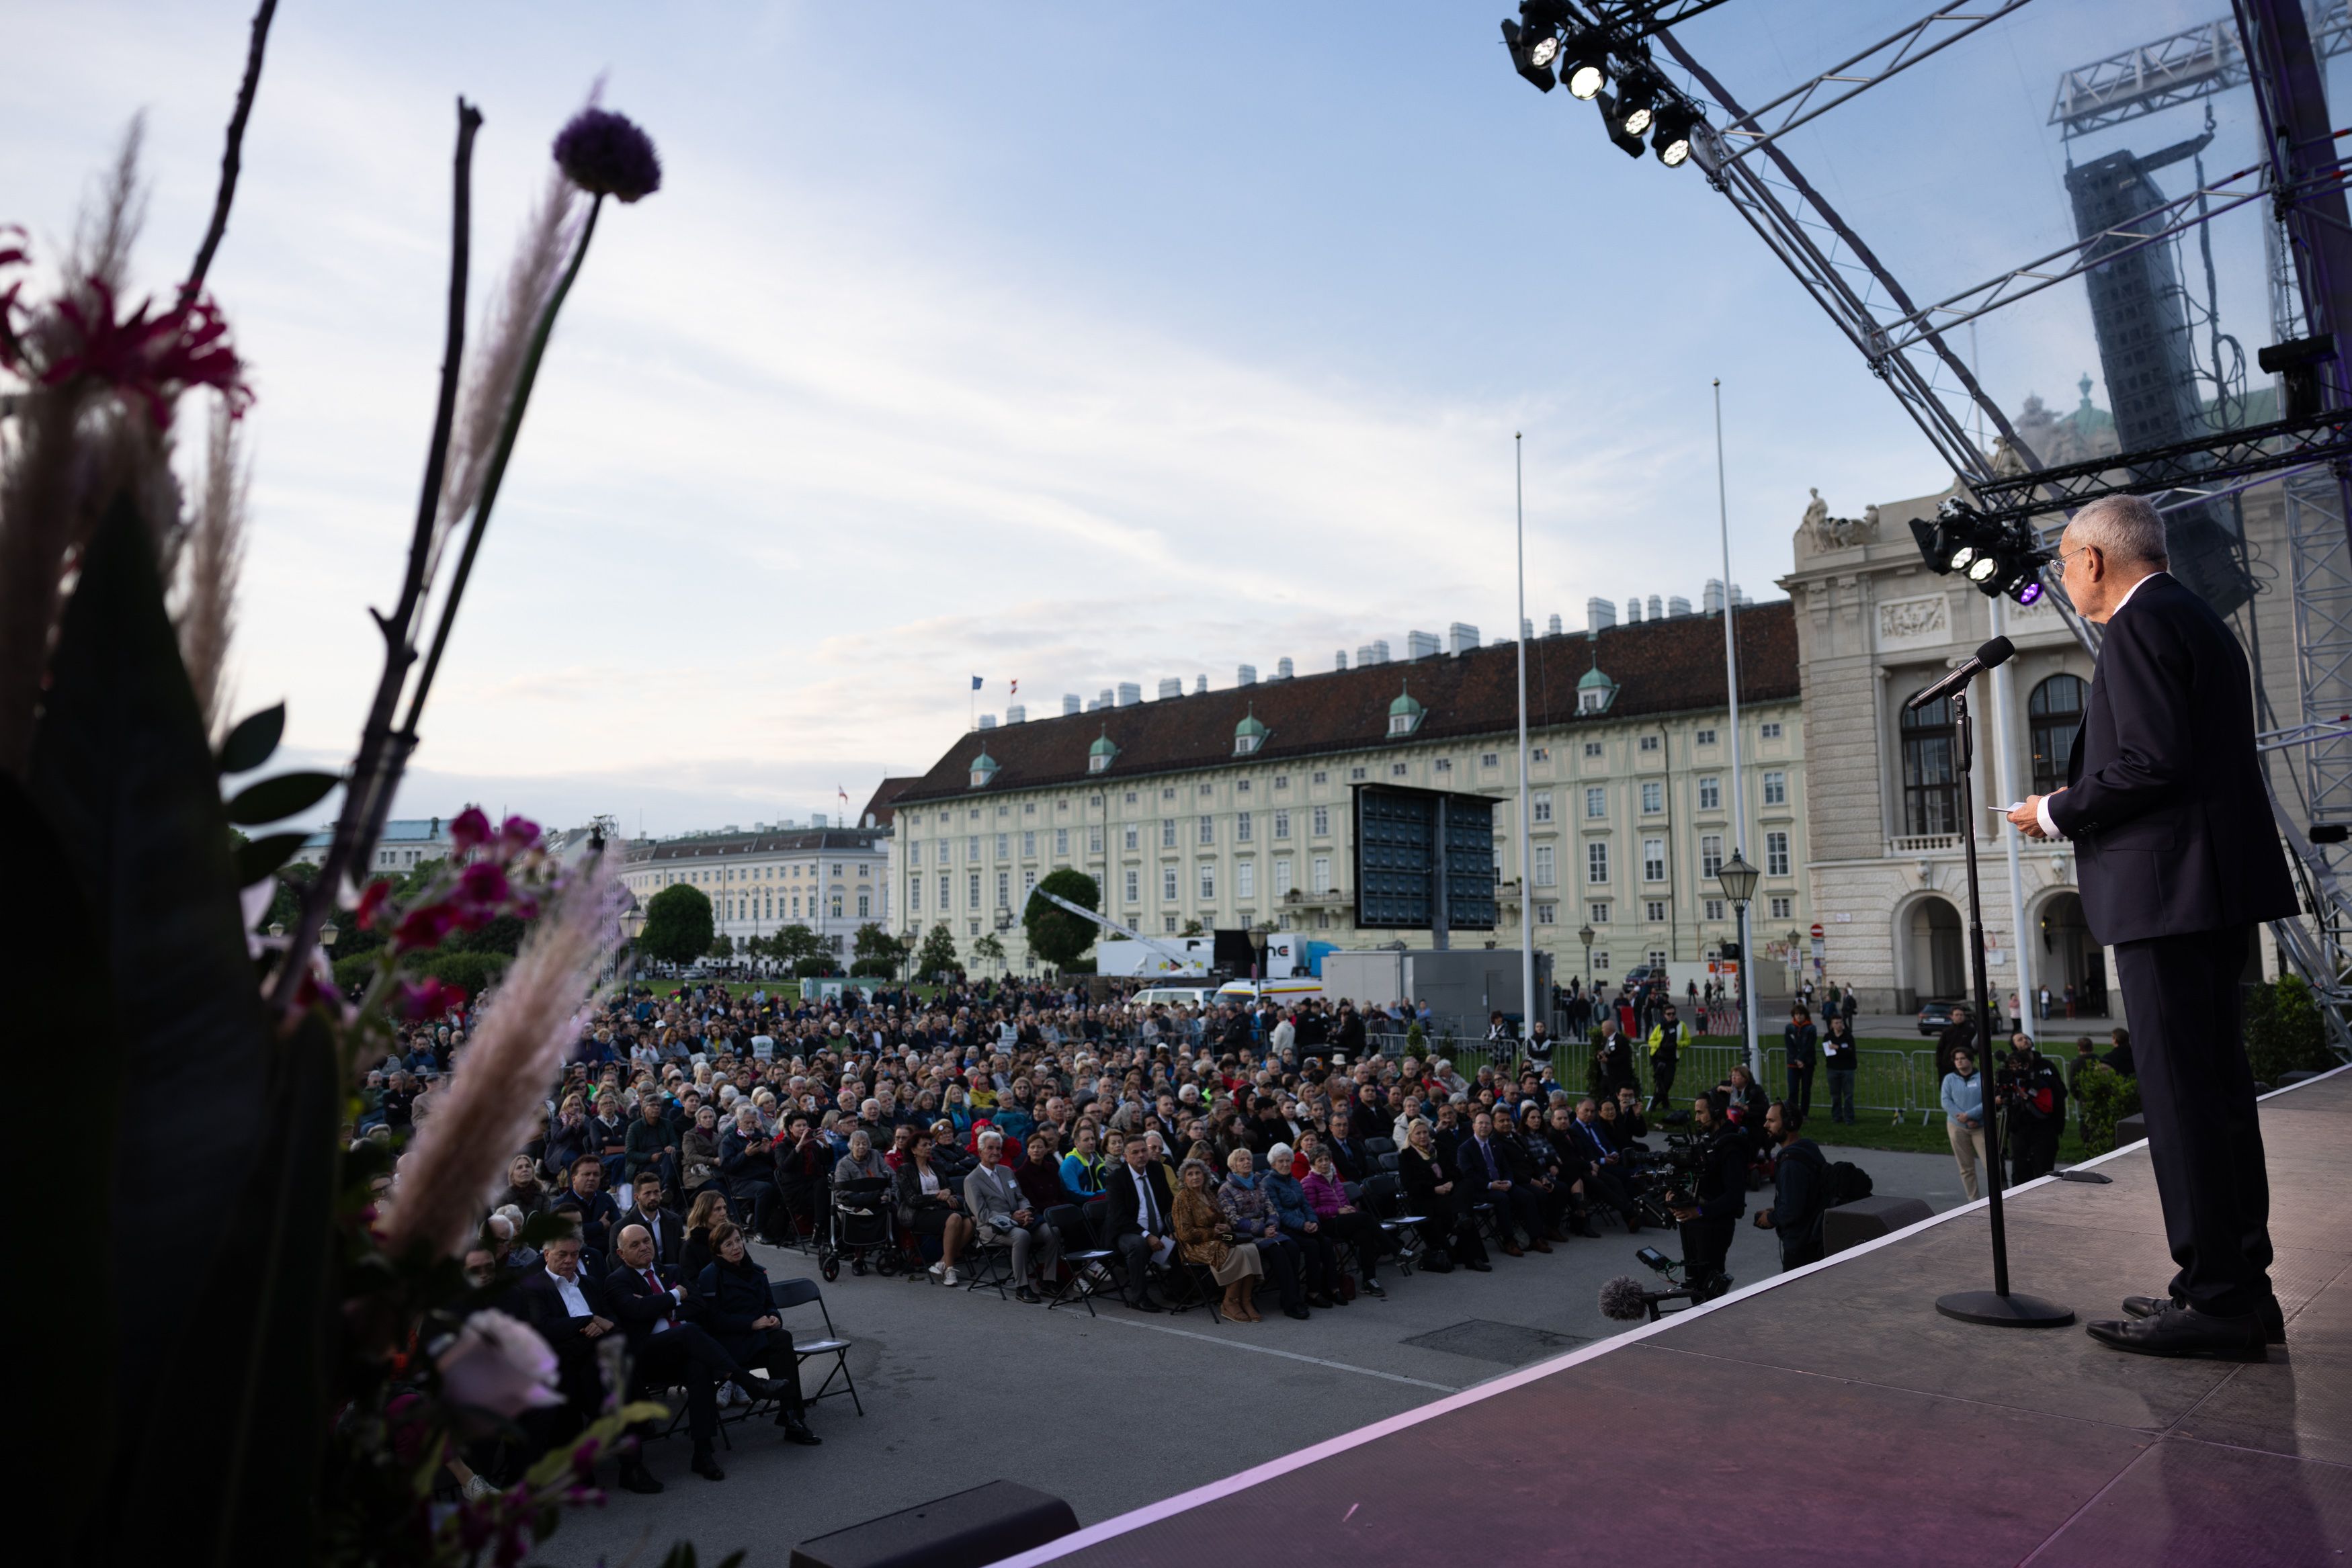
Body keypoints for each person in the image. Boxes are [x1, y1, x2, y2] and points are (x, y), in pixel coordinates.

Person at [2009, 494, 2295, 1358]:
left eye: (2063, 562)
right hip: (2206, 890)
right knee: (2216, 1097)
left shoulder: (2135, 628)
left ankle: (2212, 1298)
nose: (2061, 578)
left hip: (2164, 894)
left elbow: (2149, 763)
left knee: (2181, 1104)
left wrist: (2051, 810)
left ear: (2093, 560)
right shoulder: (2196, 618)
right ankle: (2237, 1288)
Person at [605, 1222, 785, 1481]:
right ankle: (749, 1381)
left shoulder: (671, 1270)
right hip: (648, 1357)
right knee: (689, 1333)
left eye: (646, 1241)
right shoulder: (617, 1281)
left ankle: (703, 1453)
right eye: (635, 1245)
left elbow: (699, 1304)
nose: (644, 1247)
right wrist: (676, 1294)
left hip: (684, 1349)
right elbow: (636, 1312)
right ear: (621, 1254)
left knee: (698, 1367)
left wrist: (666, 1305)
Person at [515, 1229, 659, 1494]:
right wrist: (588, 1321)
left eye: (574, 1254)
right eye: (562, 1255)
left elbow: (614, 1322)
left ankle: (631, 1464)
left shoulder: (590, 1284)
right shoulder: (534, 1287)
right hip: (564, 1366)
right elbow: (545, 1327)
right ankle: (634, 1451)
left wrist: (601, 1325)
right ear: (546, 1255)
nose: (570, 1260)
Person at [692, 1222, 821, 1446]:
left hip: (758, 1339)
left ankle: (791, 1417)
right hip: (729, 1345)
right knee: (782, 1351)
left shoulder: (756, 1271)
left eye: (738, 1240)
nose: (736, 1247)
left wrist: (774, 1317)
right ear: (717, 1250)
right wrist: (750, 1324)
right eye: (728, 1244)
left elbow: (770, 1303)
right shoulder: (710, 1276)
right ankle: (792, 1416)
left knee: (782, 1340)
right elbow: (712, 1320)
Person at [964, 1130, 1061, 1303]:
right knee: (1022, 1236)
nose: (995, 1152)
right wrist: (1011, 1217)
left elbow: (1020, 1197)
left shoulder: (1006, 1171)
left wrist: (1026, 1211)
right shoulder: (972, 1180)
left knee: (1053, 1231)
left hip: (1018, 1221)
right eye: (990, 1148)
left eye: (998, 1148)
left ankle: (1048, 1280)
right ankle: (1022, 1286)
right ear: (980, 1152)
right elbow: (982, 1214)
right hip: (991, 1228)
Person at [1669, 1093, 1745, 1298]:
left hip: (1715, 1227)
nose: (1696, 1118)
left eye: (1701, 1112)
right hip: (1696, 1225)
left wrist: (1699, 1211)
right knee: (1695, 1284)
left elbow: (1735, 1196)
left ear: (1717, 1113)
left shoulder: (1730, 1145)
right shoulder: (1708, 1140)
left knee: (1709, 1288)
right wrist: (1675, 1193)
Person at [1217, 1149, 1309, 1319]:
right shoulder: (1226, 1189)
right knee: (1279, 1253)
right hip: (1248, 1235)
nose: (1247, 1162)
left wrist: (1271, 1225)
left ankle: (1292, 1297)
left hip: (1269, 1231)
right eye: (1242, 1160)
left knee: (1293, 1247)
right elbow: (1234, 1220)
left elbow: (1271, 1208)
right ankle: (1291, 1304)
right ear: (1233, 1166)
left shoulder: (1258, 1183)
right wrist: (1262, 1229)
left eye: (1248, 1159)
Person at [1173, 1157, 1265, 1320]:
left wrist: (1226, 1227)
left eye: (1198, 1173)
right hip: (1195, 1245)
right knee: (1232, 1250)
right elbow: (1185, 1234)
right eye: (1190, 1174)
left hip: (1220, 1236)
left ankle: (1246, 1300)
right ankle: (1229, 1301)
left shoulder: (1209, 1194)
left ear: (1205, 1176)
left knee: (1250, 1247)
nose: (1195, 1177)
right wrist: (1213, 1233)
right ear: (1184, 1178)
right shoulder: (1182, 1199)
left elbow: (1223, 1219)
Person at [1398, 1116, 1491, 1271]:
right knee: (1464, 1213)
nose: (1422, 1136)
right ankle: (1474, 1259)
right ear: (1411, 1136)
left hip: (1449, 1193)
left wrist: (1451, 1183)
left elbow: (1456, 1172)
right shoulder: (1406, 1156)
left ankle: (1461, 1217)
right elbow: (1409, 1186)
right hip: (1427, 1198)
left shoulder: (1439, 1148)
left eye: (1425, 1133)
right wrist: (1435, 1189)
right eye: (1418, 1134)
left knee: (1466, 1184)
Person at [1454, 1110, 1548, 1256]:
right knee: (1502, 1199)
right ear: (1474, 1126)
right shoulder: (1465, 1148)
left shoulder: (1495, 1144)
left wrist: (1509, 1182)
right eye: (1480, 1123)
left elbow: (1506, 1168)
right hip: (1483, 1189)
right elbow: (1469, 1175)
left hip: (1502, 1184)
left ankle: (1536, 1237)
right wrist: (1491, 1185)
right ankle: (1509, 1241)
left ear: (1491, 1127)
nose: (1484, 1126)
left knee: (1527, 1196)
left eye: (1487, 1123)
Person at [1299, 1145, 1386, 1297]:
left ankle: (1369, 1280)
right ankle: (1395, 1249)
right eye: (1320, 1160)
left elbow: (1344, 1201)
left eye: (1327, 1159)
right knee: (1365, 1217)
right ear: (1313, 1163)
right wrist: (1337, 1211)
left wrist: (1349, 1208)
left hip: (1342, 1221)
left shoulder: (1334, 1178)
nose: (1325, 1163)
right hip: (1326, 1224)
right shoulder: (1308, 1182)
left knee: (1365, 1235)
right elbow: (1311, 1211)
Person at [1751, 1102, 1828, 1271]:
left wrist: (1771, 1219)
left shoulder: (1791, 1163)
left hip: (1801, 1247)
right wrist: (1777, 1210)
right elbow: (1801, 1198)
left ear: (1789, 1124)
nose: (1766, 1126)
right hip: (1812, 1240)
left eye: (1771, 1121)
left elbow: (1792, 1210)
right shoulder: (1807, 1148)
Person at [1104, 1133, 1177, 1311]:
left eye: (1144, 1150)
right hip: (1128, 1231)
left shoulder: (1157, 1169)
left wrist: (1172, 1228)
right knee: (1138, 1244)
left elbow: (1168, 1203)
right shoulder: (1117, 1178)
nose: (1141, 1155)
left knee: (1180, 1237)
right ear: (1125, 1156)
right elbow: (1118, 1217)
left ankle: (1177, 1290)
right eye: (1135, 1152)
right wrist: (1147, 1235)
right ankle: (1139, 1298)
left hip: (1158, 1228)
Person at [895, 1130, 976, 1287]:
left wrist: (948, 1192)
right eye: (924, 1145)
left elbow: (950, 1187)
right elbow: (912, 1200)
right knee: (955, 1218)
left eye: (930, 1144)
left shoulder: (937, 1166)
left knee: (972, 1221)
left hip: (938, 1210)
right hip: (917, 1214)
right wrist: (938, 1196)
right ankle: (950, 1269)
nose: (929, 1147)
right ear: (913, 1150)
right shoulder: (905, 1170)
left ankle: (942, 1262)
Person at [1263, 1144, 1340, 1308]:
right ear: (1273, 1164)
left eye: (1288, 1161)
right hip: (1286, 1227)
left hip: (1304, 1224)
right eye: (1280, 1161)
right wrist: (1302, 1224)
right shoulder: (1268, 1183)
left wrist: (1313, 1222)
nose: (1285, 1164)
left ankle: (1332, 1287)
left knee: (1326, 1242)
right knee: (1311, 1245)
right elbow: (1279, 1212)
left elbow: (1306, 1206)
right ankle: (1313, 1292)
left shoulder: (1294, 1182)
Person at [1999, 1035, 2068, 1185]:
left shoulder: (2046, 1067)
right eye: (2019, 1039)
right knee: (2021, 1172)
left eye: (2025, 1038)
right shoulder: (2009, 1074)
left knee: (2044, 1172)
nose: (2024, 1041)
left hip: (2044, 1128)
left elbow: (2060, 1091)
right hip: (2018, 1129)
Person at [1941, 1046, 1989, 1201]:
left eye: (1962, 1058)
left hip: (1980, 1127)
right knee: (1966, 1168)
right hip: (1957, 1127)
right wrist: (1963, 1118)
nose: (1959, 1062)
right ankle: (1973, 1201)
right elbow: (1946, 1101)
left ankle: (1998, 1198)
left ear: (1970, 1060)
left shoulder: (1982, 1077)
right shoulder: (1950, 1079)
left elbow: (1988, 1100)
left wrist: (1970, 1115)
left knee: (1989, 1165)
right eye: (1956, 1059)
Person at [1644, 1004, 1686, 1113]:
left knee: (1668, 1081)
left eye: (1673, 1014)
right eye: (1669, 1014)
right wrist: (1660, 1044)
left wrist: (1678, 1044)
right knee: (1660, 1083)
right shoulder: (1660, 1026)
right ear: (1664, 1015)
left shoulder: (1681, 1025)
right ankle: (1665, 1105)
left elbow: (1688, 1040)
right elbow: (1651, 1041)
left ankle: (1653, 1103)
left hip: (1671, 1059)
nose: (1671, 1016)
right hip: (1658, 1058)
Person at [1820, 1014, 1859, 1125]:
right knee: (1835, 1095)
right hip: (1833, 1068)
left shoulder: (1848, 1036)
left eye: (1840, 1022)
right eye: (1836, 1023)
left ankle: (1849, 1118)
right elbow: (1828, 1053)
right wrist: (1841, 1051)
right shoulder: (1828, 1037)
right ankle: (1837, 1116)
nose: (1839, 1025)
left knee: (1848, 1095)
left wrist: (1838, 1048)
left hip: (1847, 1069)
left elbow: (1850, 1052)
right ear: (1832, 1025)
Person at [1783, 1006, 1818, 1119]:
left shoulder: (1811, 1028)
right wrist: (1796, 1059)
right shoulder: (1789, 1028)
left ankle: (1804, 1114)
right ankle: (1793, 1113)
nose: (1799, 1016)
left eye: (1801, 1014)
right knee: (1793, 1090)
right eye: (1797, 1014)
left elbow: (1810, 1045)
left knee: (1806, 1090)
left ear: (1805, 1015)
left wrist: (1801, 1059)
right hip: (1793, 1063)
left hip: (1807, 1063)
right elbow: (1789, 1045)